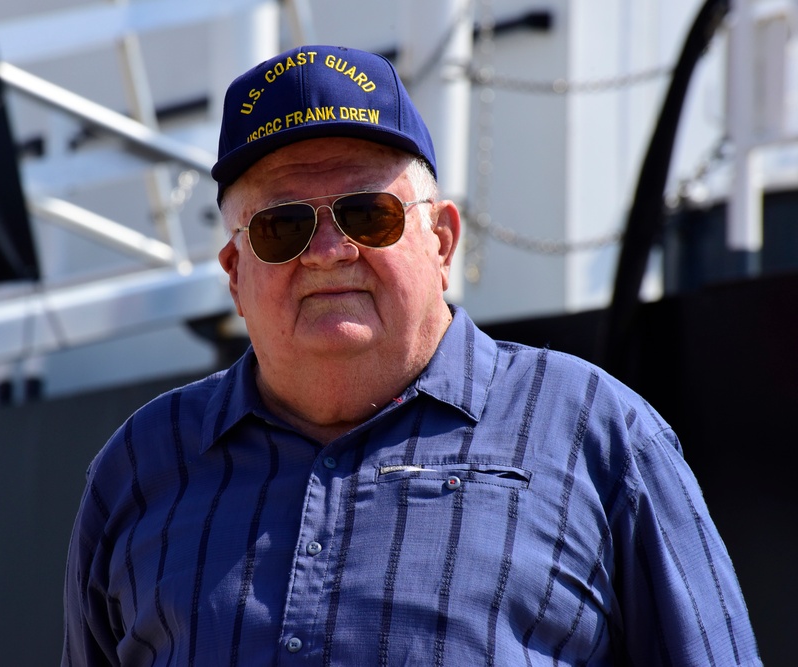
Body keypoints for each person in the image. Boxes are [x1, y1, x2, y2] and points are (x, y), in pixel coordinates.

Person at [61, 44, 761, 666]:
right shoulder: (138, 469)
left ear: (443, 241)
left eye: (369, 214)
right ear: (235, 272)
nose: (330, 252)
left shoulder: (600, 438)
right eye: (282, 226)